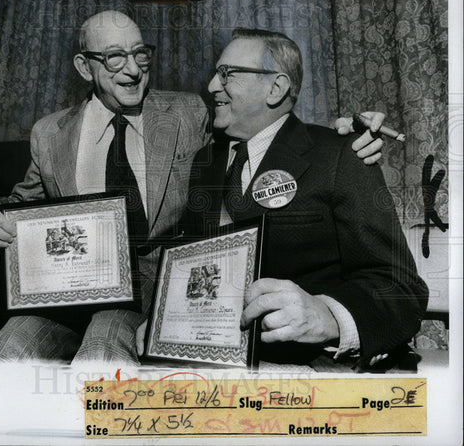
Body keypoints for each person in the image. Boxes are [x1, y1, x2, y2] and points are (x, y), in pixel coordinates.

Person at [0, 11, 383, 364]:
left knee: (104, 344)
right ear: (84, 66)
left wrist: (346, 134)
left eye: (141, 54)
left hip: (151, 297)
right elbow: (25, 205)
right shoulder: (50, 132)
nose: (133, 69)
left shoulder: (189, 113)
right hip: (64, 295)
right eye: (115, 57)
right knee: (10, 347)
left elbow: (266, 129)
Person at [179, 28, 428, 368]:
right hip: (210, 362)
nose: (211, 86)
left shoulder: (342, 154)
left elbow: (400, 287)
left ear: (276, 88)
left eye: (227, 74)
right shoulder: (204, 162)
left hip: (302, 367)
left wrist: (328, 317)